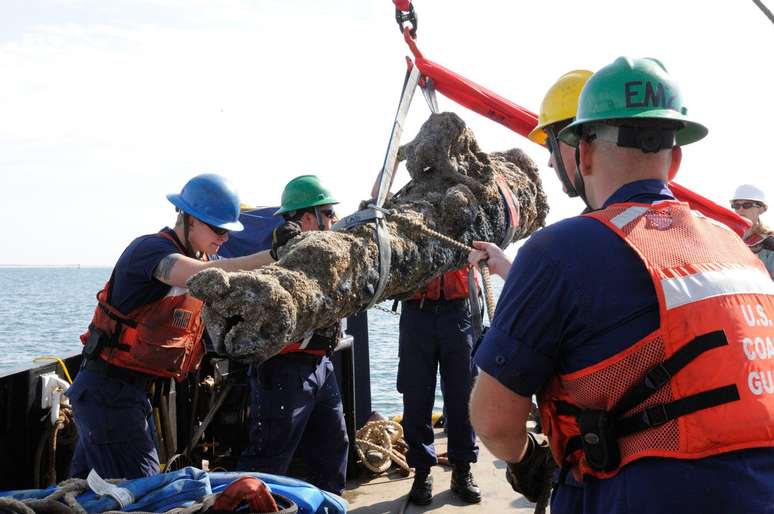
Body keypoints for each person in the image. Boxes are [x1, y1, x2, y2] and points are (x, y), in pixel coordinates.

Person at [468, 57, 774, 514]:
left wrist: (528, 459)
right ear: (675, 159)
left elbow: (494, 421)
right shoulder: (738, 249)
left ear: (584, 152)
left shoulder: (558, 251)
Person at [67, 173, 274, 480]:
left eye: (228, 231)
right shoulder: (150, 252)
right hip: (108, 395)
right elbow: (208, 274)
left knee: (87, 490)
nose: (224, 238)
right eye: (218, 228)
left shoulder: (203, 257)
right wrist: (273, 254)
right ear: (189, 219)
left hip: (131, 398)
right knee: (144, 493)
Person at [368, 167, 481, 505]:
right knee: (416, 396)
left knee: (462, 394)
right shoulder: (407, 201)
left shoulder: (467, 197)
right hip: (416, 313)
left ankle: (463, 467)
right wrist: (391, 168)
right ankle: (422, 472)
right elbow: (374, 205)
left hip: (458, 311)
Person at [237, 175, 350, 496]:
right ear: (306, 216)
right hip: (284, 369)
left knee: (333, 445)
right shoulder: (289, 240)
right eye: (327, 213)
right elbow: (290, 244)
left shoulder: (325, 248)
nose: (333, 221)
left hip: (320, 365)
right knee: (269, 459)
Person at [731, 184, 774, 278]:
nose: (741, 209)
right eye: (736, 205)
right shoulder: (726, 239)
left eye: (747, 205)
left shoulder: (771, 243)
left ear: (761, 209)